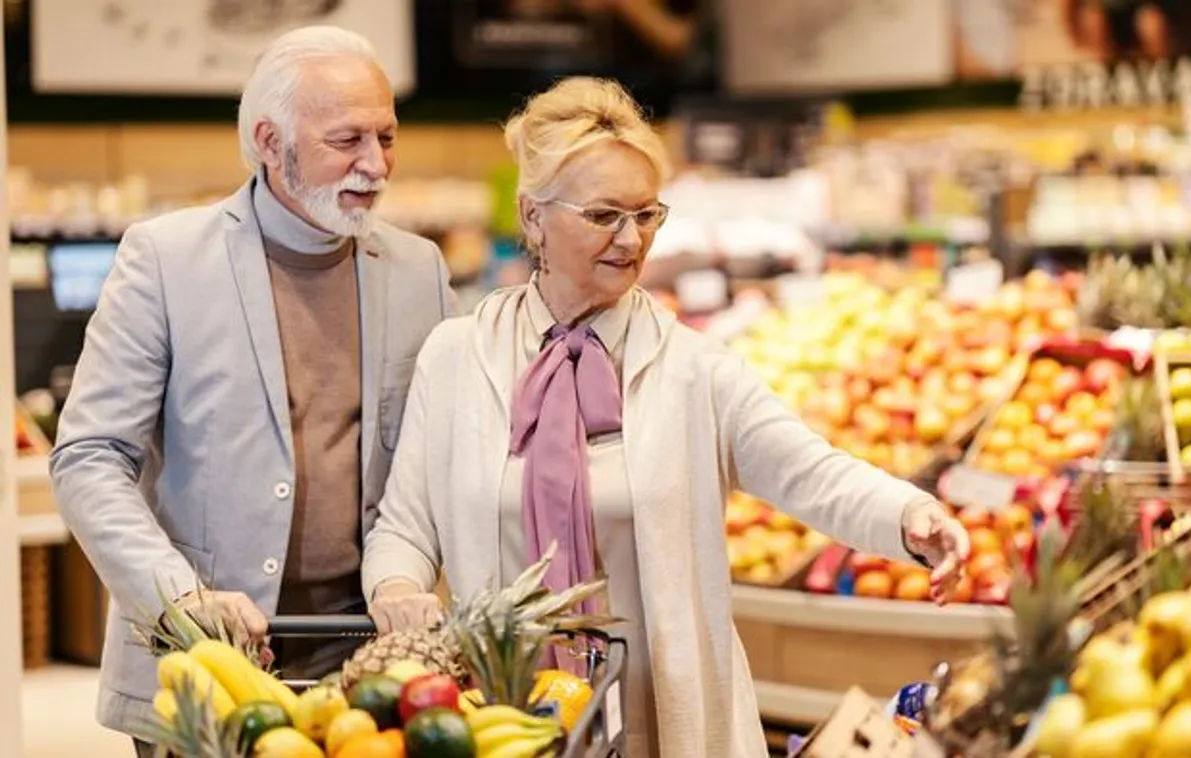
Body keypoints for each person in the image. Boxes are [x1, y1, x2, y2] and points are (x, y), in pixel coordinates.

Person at [361, 76, 970, 757]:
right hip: (506, 722)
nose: (631, 240)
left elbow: (810, 472)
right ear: (532, 217)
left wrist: (910, 515)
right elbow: (404, 526)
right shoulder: (457, 358)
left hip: (668, 722)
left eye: (647, 214)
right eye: (604, 216)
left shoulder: (692, 370)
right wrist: (395, 587)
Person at [49, 25, 456, 757]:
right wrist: (179, 597)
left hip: (371, 662)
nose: (375, 164)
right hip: (203, 665)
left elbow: (439, 456)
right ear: (271, 141)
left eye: (387, 137)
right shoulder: (166, 259)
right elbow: (89, 457)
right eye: (347, 140)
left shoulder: (418, 270)